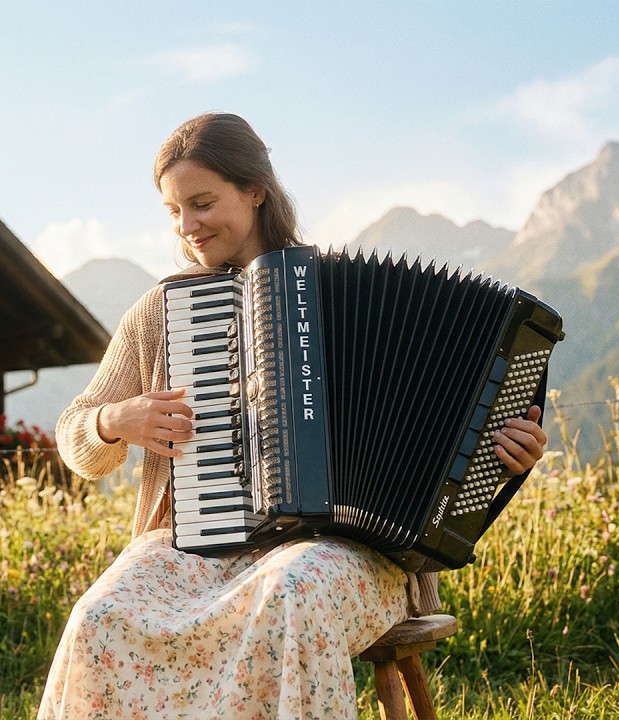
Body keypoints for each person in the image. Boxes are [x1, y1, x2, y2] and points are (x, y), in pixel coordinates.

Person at [37, 112, 547, 720]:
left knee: (291, 591)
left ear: (255, 189)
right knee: (100, 615)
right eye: (175, 212)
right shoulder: (162, 314)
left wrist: (506, 454)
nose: (189, 227)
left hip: (353, 553)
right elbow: (76, 433)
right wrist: (113, 421)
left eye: (203, 203)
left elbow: (457, 437)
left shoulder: (335, 291)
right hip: (206, 550)